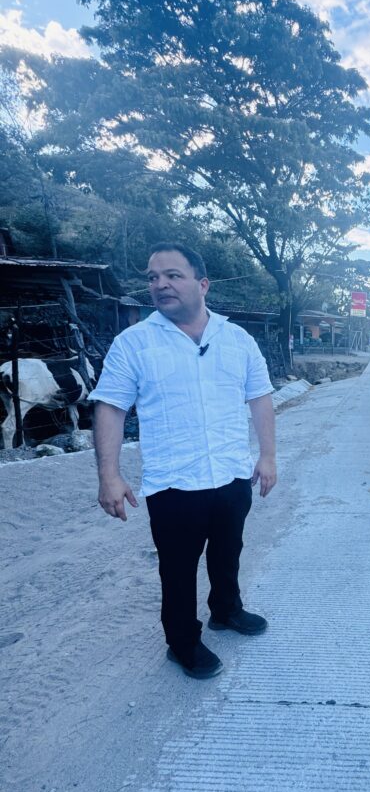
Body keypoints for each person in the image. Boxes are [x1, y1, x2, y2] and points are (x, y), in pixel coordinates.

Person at [91, 243, 277, 680]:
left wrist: (268, 456)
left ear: (202, 284)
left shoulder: (237, 339)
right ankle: (182, 642)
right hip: (173, 481)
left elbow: (260, 397)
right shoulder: (134, 343)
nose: (160, 284)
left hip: (232, 472)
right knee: (177, 569)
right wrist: (109, 475)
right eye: (153, 277)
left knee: (228, 552)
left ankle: (226, 610)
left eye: (173, 275)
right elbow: (110, 407)